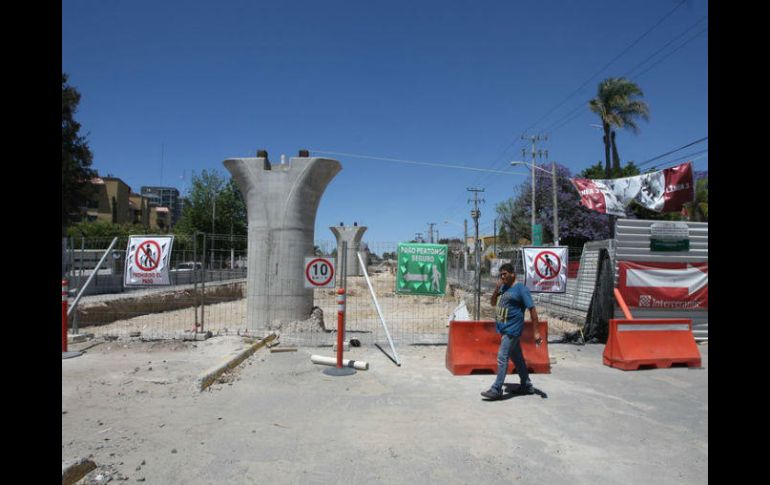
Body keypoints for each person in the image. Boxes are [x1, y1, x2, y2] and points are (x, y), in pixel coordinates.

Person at [481, 263, 541, 400]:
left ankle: (496, 389)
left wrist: (536, 332)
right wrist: (496, 290)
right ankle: (526, 385)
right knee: (518, 359)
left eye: (505, 274)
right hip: (504, 328)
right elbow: (492, 303)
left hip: (512, 330)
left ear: (513, 274)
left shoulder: (521, 289)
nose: (502, 277)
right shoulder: (503, 287)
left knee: (502, 357)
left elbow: (532, 309)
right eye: (501, 274)